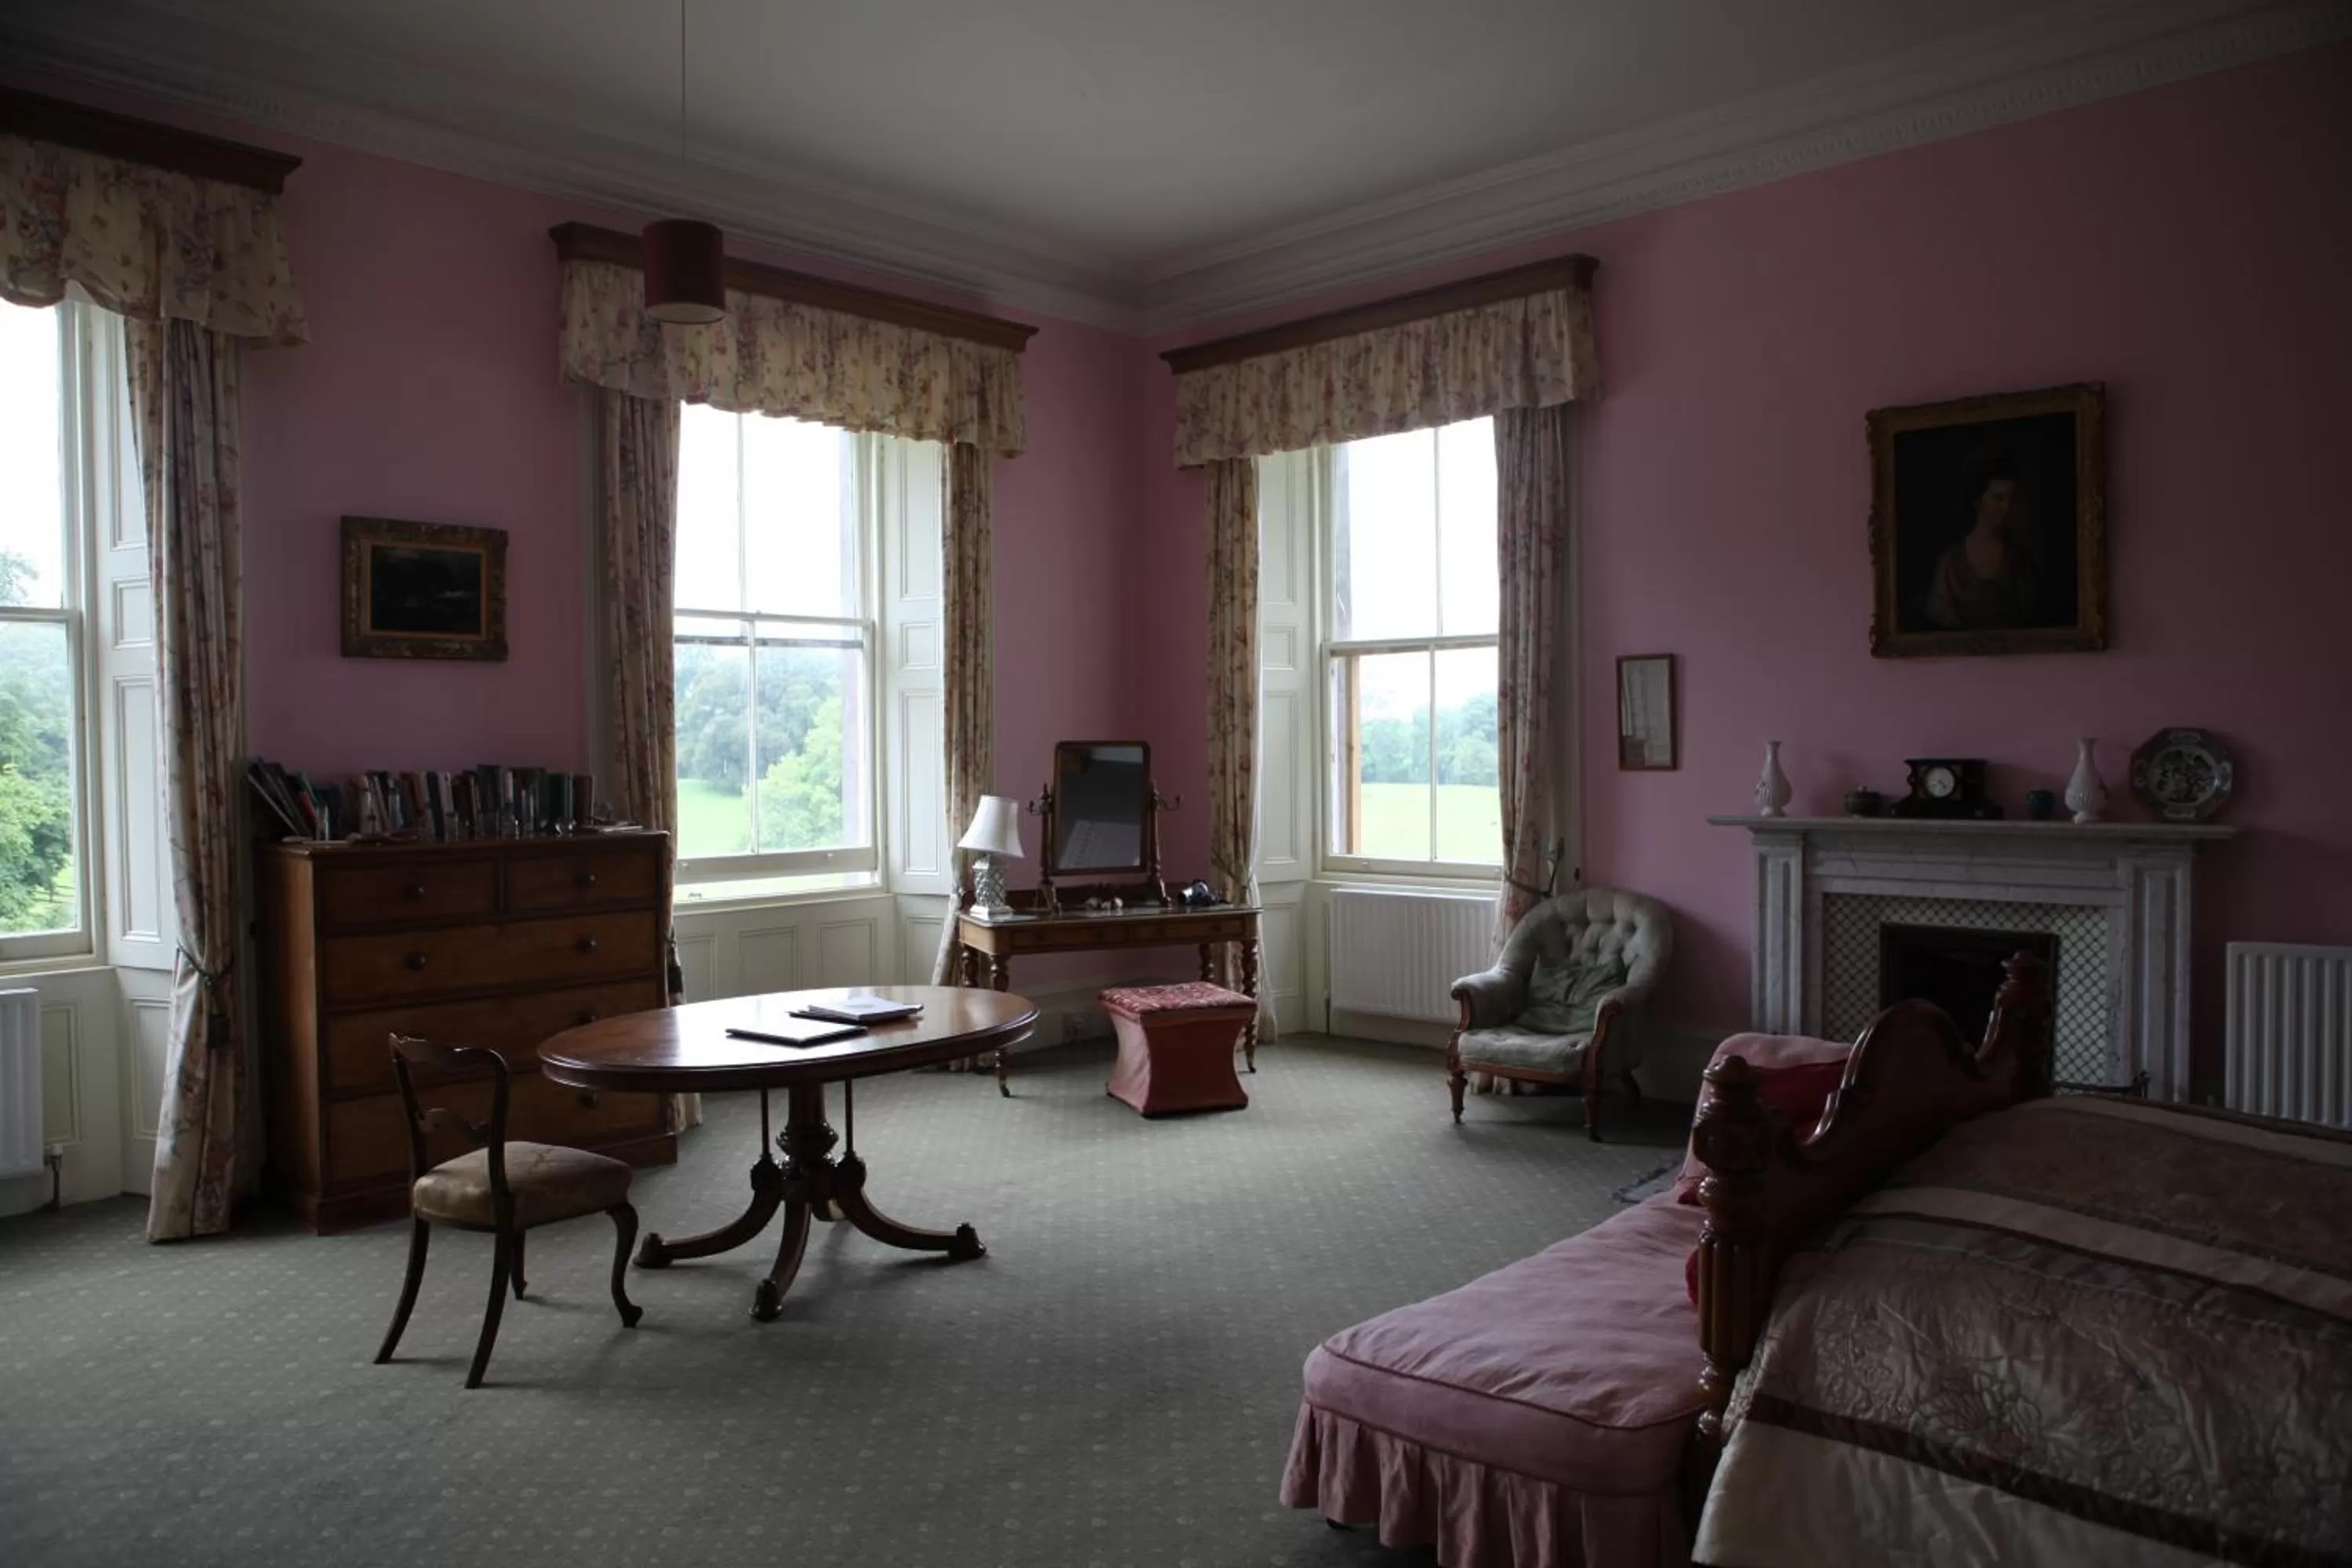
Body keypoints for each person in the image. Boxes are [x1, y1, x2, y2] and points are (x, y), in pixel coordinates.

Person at [1922, 448, 2039, 630]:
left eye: (2011, 498)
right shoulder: (1949, 563)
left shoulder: (2021, 563)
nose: (2007, 507)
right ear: (1977, 500)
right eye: (1998, 498)